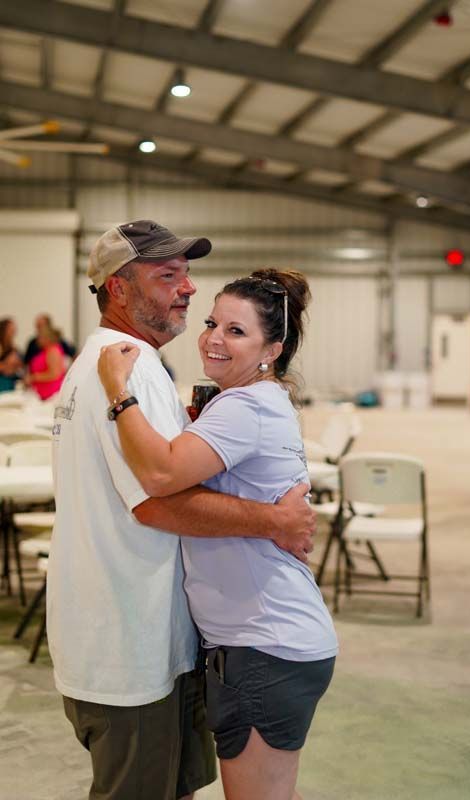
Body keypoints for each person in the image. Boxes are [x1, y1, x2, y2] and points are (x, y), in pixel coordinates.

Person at [47, 220, 315, 800]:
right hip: (131, 643)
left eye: (188, 274)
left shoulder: (97, 361)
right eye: (168, 276)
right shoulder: (130, 364)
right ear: (118, 289)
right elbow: (156, 499)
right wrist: (275, 520)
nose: (188, 289)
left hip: (120, 633)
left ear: (272, 349)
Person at [97, 268, 338, 800]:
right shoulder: (253, 401)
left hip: (263, 645)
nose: (213, 338)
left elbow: (159, 476)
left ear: (271, 349)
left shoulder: (245, 406)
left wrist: (118, 393)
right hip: (272, 640)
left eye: (236, 331)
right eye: (212, 323)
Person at [25, 320, 67, 400]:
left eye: (40, 337)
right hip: (42, 393)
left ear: (47, 338)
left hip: (51, 394)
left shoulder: (53, 351)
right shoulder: (46, 350)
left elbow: (55, 373)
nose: (37, 340)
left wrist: (33, 377)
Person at [0, 317, 23, 392]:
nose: (13, 331)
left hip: (11, 382)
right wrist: (6, 365)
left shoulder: (13, 347)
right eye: (10, 329)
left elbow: (19, 366)